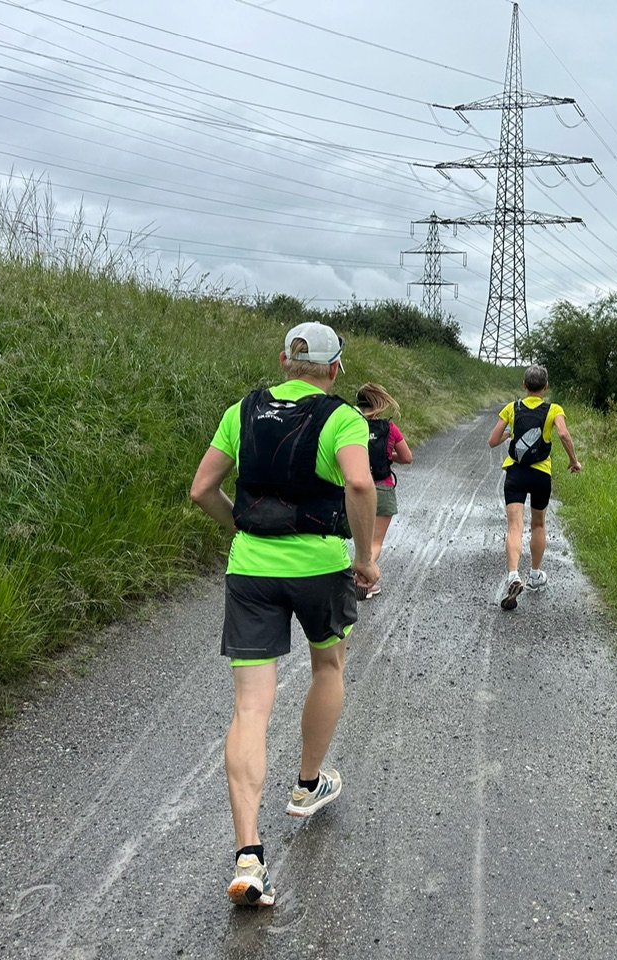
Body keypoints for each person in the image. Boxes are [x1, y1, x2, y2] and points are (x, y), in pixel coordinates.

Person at [190, 321, 379, 907]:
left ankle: (249, 857)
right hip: (320, 567)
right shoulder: (342, 417)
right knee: (329, 667)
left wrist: (242, 528)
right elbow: (358, 483)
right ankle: (306, 785)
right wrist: (364, 557)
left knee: (249, 707)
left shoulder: (240, 412)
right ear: (336, 367)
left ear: (284, 360)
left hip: (251, 568)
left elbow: (202, 490)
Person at [487, 364, 581, 611]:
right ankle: (536, 574)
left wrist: (509, 433)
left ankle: (513, 575)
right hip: (540, 474)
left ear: (524, 386)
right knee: (538, 524)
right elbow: (563, 434)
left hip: (516, 472)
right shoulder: (553, 409)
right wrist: (573, 460)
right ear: (546, 387)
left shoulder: (512, 408)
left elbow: (492, 441)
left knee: (514, 527)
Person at [355, 382, 413, 598]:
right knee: (375, 543)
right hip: (382, 488)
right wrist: (389, 457)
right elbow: (407, 458)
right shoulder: (389, 428)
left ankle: (361, 579)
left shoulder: (351, 424)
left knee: (360, 540)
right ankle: (363, 582)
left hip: (355, 490)